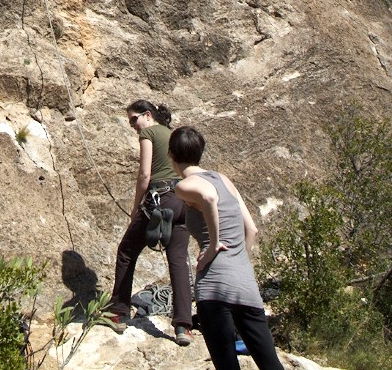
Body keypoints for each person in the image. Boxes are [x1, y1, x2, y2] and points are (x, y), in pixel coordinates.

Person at [168, 125, 285, 370]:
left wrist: (212, 247)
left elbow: (209, 197)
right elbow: (251, 230)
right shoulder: (224, 179)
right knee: (270, 362)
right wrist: (240, 260)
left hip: (214, 285)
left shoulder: (184, 186)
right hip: (245, 282)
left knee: (227, 365)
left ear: (171, 155)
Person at [108, 101, 193, 346]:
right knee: (178, 260)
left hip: (159, 198)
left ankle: (118, 312)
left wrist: (136, 208)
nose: (133, 126)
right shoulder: (174, 134)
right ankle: (183, 326)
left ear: (148, 115)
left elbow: (145, 174)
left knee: (126, 251)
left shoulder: (149, 132)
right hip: (182, 200)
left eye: (134, 119)